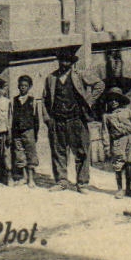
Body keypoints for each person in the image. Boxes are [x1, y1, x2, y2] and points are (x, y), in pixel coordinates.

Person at [43, 46, 104, 193]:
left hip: (76, 119)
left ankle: (82, 183)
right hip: (58, 120)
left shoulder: (79, 75)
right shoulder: (51, 78)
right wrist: (47, 118)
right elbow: (44, 99)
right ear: (58, 61)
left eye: (67, 61)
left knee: (82, 151)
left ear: (71, 62)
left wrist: (88, 101)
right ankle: (61, 181)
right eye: (62, 61)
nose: (64, 64)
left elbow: (99, 85)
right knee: (58, 151)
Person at [101, 88, 131, 200]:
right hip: (117, 141)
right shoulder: (106, 116)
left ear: (120, 101)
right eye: (111, 100)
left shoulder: (127, 112)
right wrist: (106, 147)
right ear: (108, 102)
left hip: (130, 138)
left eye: (116, 100)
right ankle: (120, 189)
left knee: (129, 164)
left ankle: (129, 189)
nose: (113, 102)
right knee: (119, 164)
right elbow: (105, 133)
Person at [10, 74, 41, 188]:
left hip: (29, 131)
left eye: (25, 86)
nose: (23, 87)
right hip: (17, 131)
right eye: (21, 85)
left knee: (30, 154)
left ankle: (31, 178)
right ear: (18, 86)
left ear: (30, 87)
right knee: (19, 154)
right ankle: (24, 177)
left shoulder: (33, 101)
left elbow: (36, 119)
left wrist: (35, 133)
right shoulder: (14, 100)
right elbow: (12, 117)